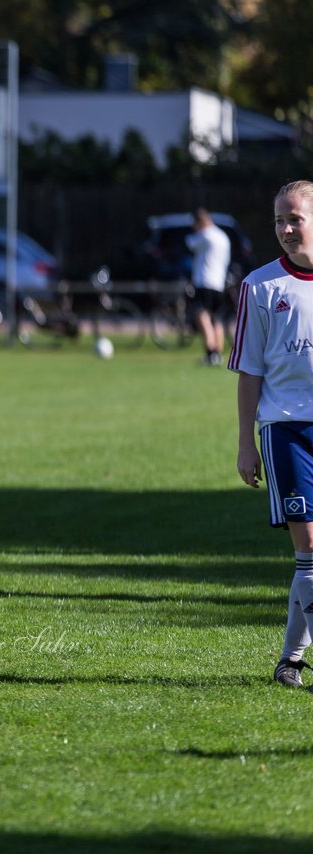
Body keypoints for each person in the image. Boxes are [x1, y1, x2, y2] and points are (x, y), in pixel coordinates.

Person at [232, 180, 313, 688]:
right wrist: (246, 441)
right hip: (285, 430)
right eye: (279, 220)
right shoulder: (260, 287)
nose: (285, 229)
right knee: (308, 551)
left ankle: (291, 660)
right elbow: (249, 371)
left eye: (296, 219)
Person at [187, 208, 232, 367]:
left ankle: (210, 352)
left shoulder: (205, 235)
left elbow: (189, 244)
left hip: (204, 281)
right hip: (219, 282)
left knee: (202, 316)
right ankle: (218, 354)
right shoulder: (223, 236)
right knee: (217, 319)